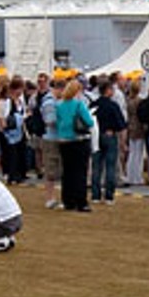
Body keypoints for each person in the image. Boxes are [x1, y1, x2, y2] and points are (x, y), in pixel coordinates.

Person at [53, 78, 95, 212]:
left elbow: (57, 122)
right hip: (79, 140)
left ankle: (68, 201)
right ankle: (81, 201)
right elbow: (89, 122)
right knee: (80, 172)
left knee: (68, 171)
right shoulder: (79, 104)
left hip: (64, 141)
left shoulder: (59, 105)